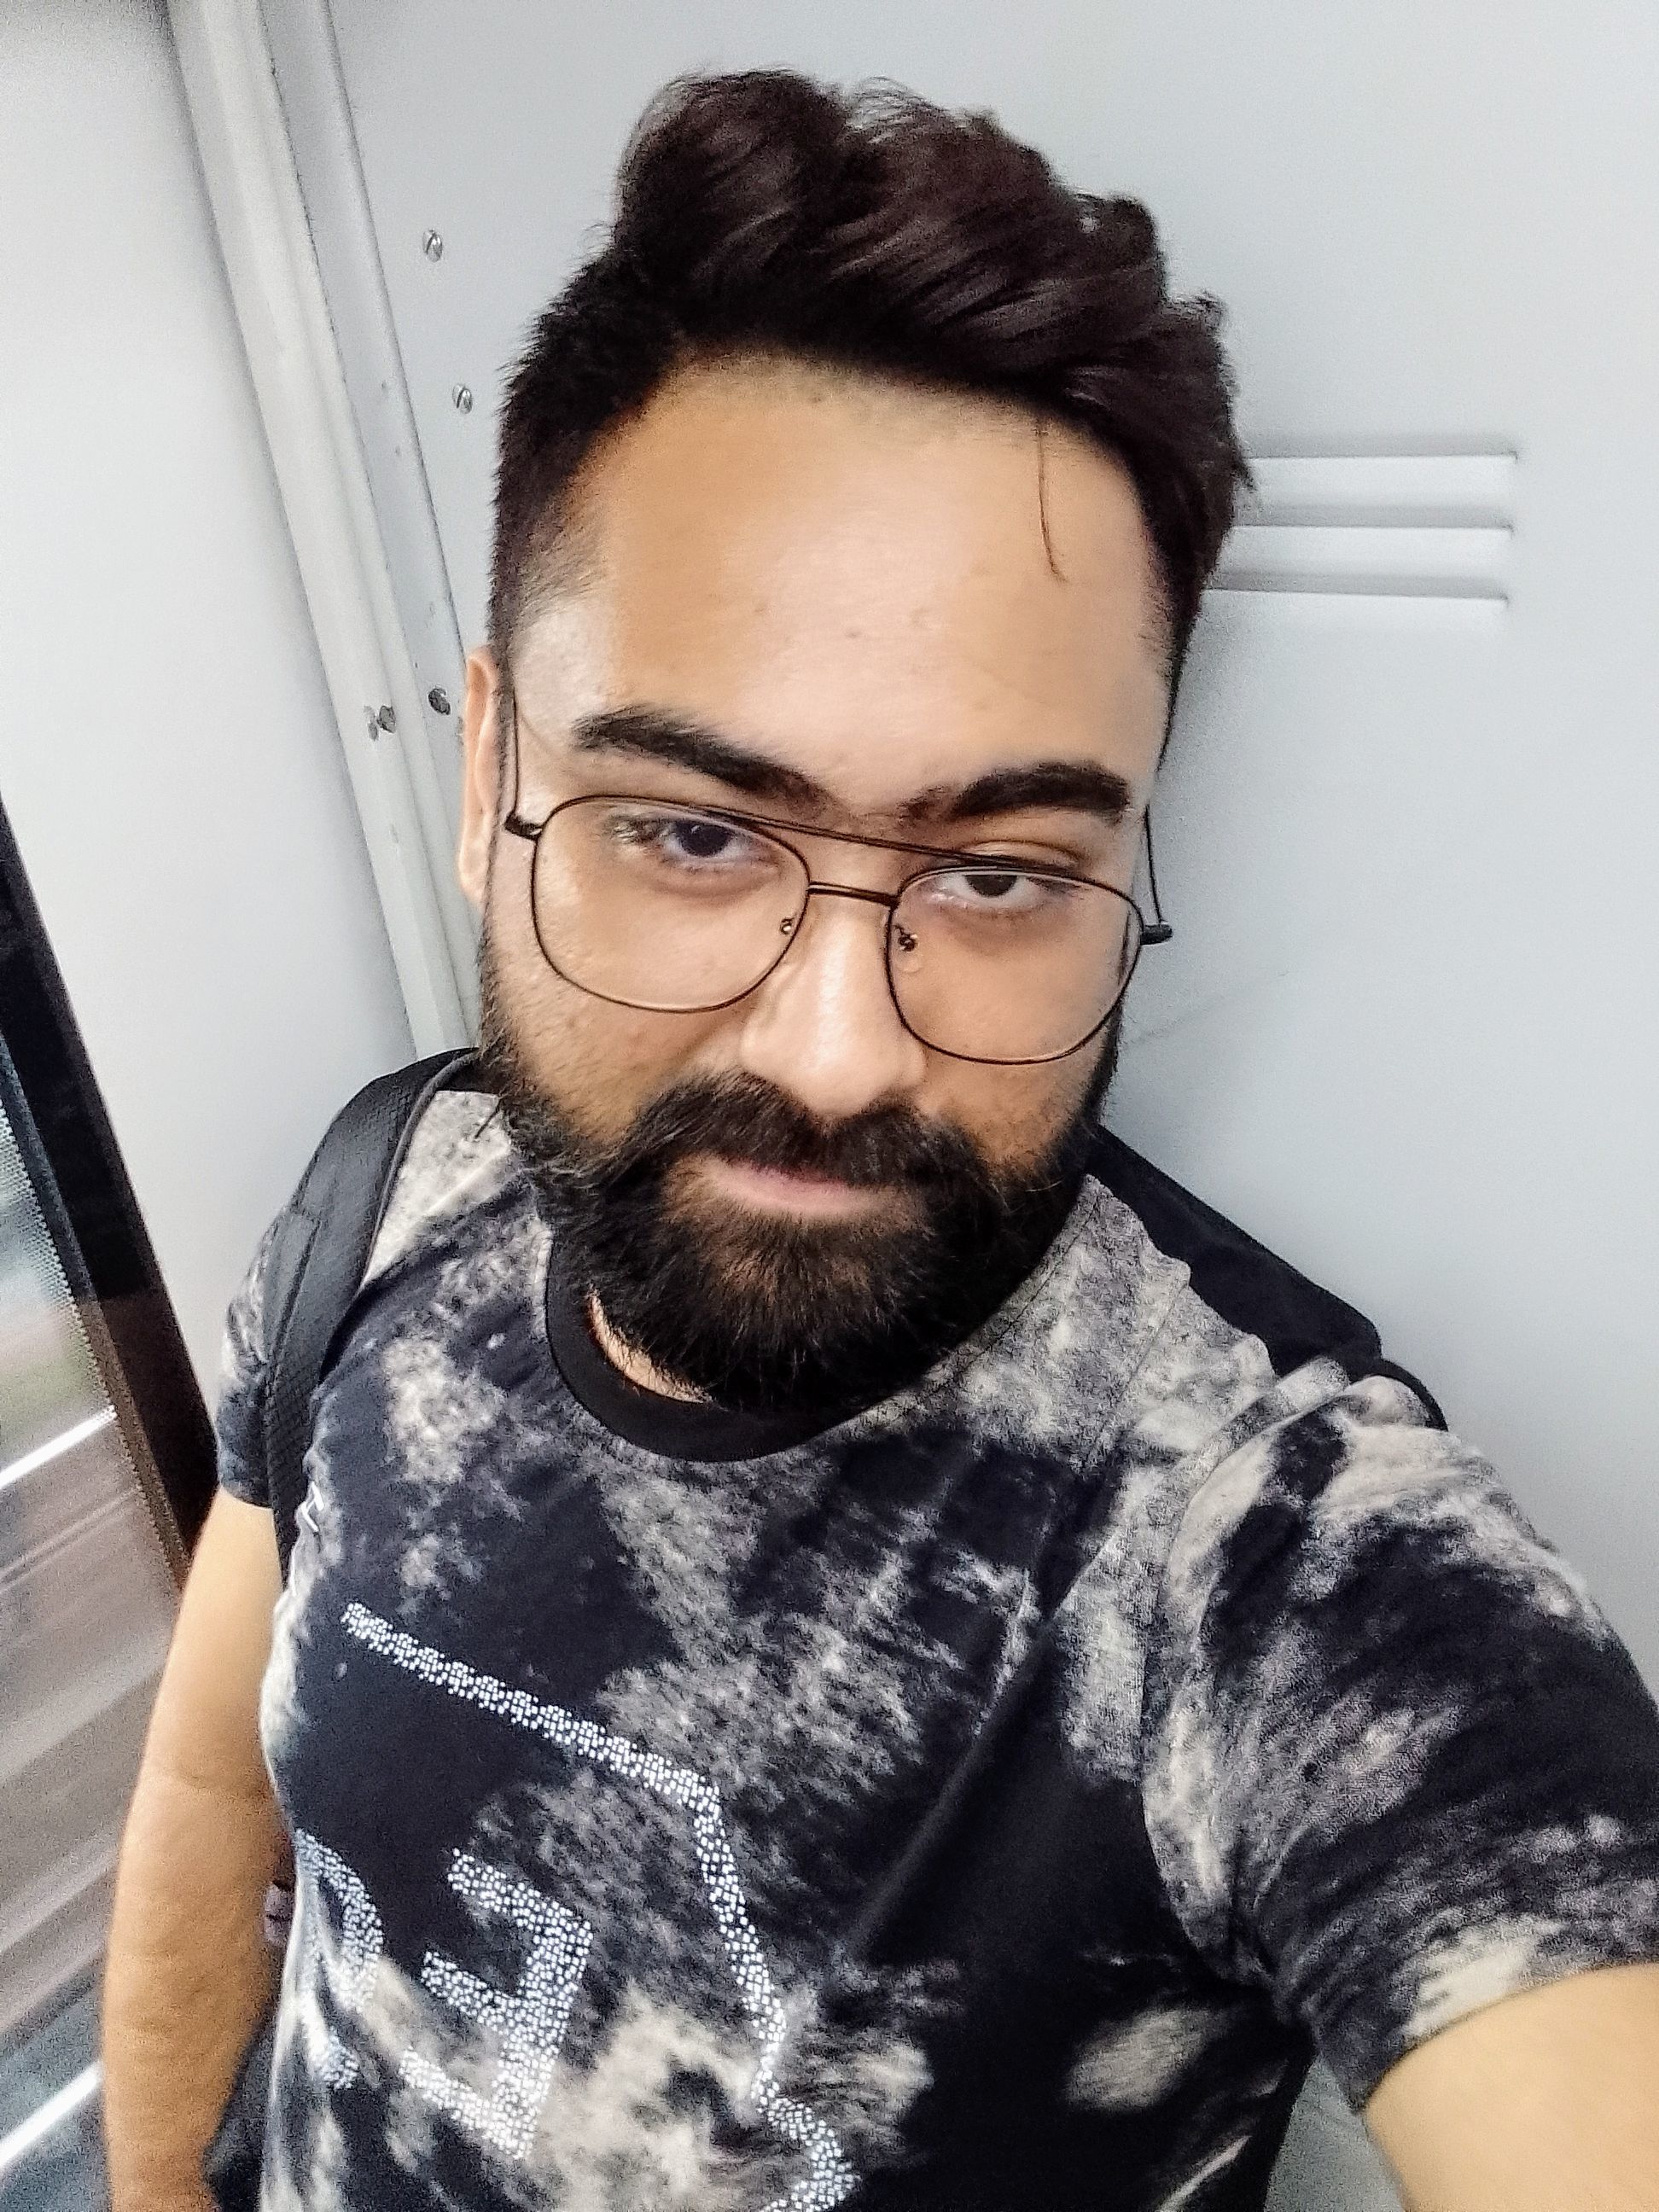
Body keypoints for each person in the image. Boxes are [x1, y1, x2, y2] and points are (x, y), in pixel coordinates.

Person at [102, 67, 1659, 2212]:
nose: (837, 1057)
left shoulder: (1270, 1564)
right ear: (488, 783)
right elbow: (214, 1791)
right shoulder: (388, 1206)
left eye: (1001, 873)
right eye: (690, 832)